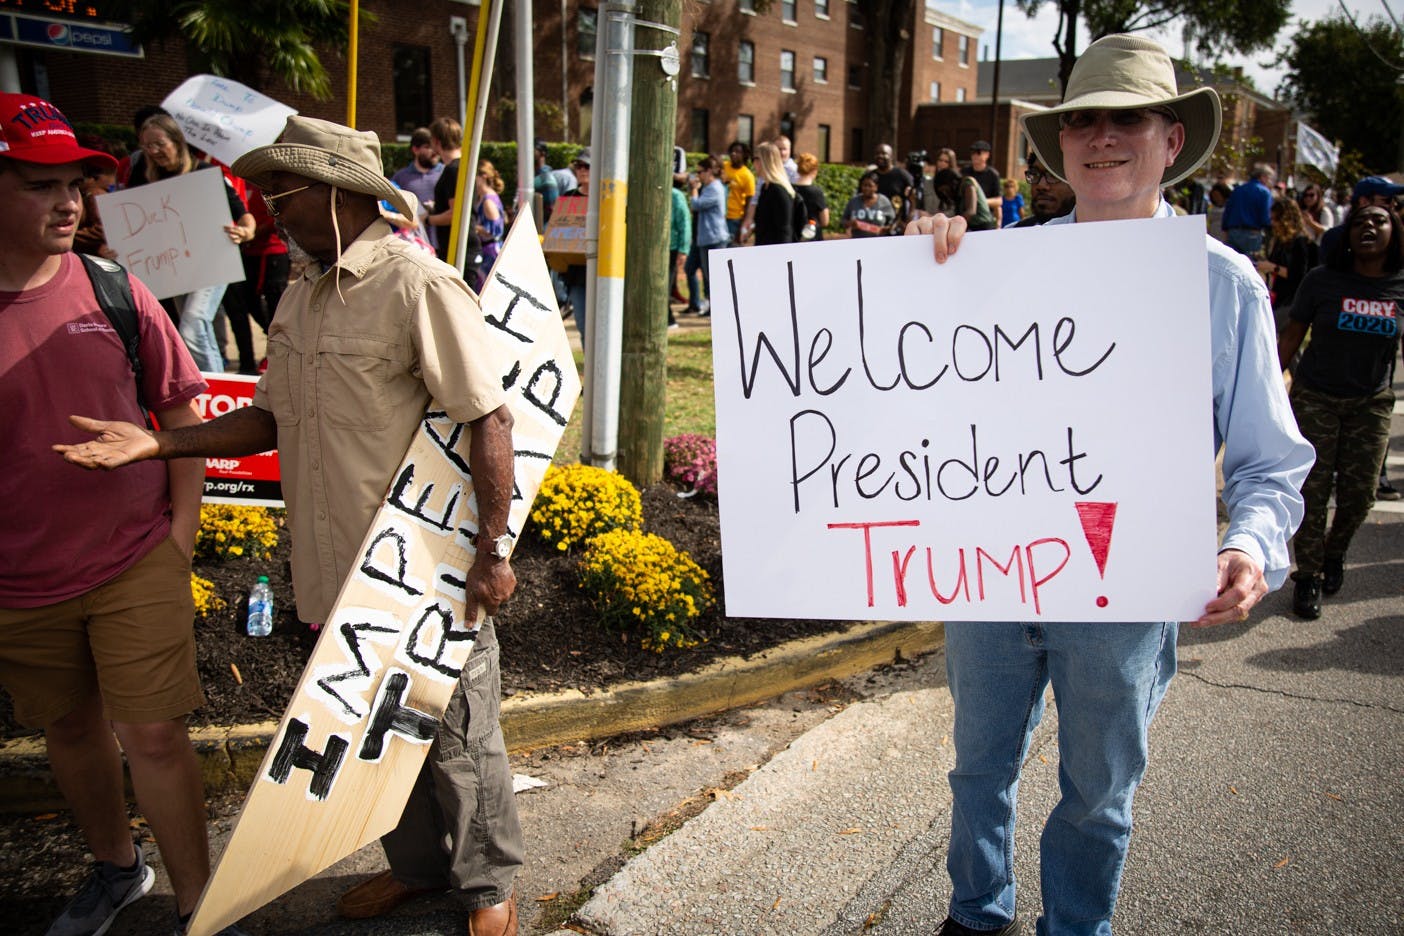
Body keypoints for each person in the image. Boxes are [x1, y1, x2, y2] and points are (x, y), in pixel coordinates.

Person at [55, 114, 523, 936]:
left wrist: (493, 549)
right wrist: (158, 441)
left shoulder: (417, 286)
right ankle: (416, 871)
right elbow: (267, 419)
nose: (271, 207)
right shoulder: (298, 291)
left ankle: (489, 890)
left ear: (340, 195)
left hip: (419, 567)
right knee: (372, 733)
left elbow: (488, 417)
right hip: (330, 568)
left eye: (285, 191)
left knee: (455, 738)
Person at [906, 34, 1313, 935]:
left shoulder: (1223, 285)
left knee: (1098, 792)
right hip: (994, 569)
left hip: (1125, 584)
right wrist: (917, 266)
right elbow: (910, 379)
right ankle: (976, 915)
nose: (1101, 137)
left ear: (1171, 139)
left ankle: (1074, 928)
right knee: (977, 767)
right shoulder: (993, 264)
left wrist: (1247, 543)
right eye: (1082, 119)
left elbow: (1269, 459)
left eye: (1126, 117)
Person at [0, 92, 247, 936]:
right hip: (19, 583)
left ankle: (199, 907)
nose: (68, 200)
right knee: (69, 731)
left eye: (76, 182)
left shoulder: (113, 287)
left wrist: (179, 538)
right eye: (40, 183)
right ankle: (116, 871)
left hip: (134, 558)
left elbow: (183, 417)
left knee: (153, 734)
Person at [1276, 203, 1404, 619]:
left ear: (1395, 232)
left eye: (1378, 221)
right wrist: (1269, 390)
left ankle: (1336, 552)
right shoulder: (1322, 281)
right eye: (1359, 222)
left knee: (1360, 494)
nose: (1368, 227)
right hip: (1316, 398)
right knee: (1312, 490)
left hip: (1372, 402)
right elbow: (1291, 339)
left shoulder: (1400, 286)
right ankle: (1308, 575)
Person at [128, 113, 256, 372]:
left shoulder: (206, 173)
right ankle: (214, 378)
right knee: (197, 329)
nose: (153, 151)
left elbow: (245, 217)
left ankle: (211, 387)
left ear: (177, 141)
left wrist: (245, 232)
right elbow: (129, 221)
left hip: (211, 262)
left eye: (159, 143)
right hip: (174, 265)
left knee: (193, 323)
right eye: (146, 145)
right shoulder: (143, 177)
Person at [1255, 197, 1316, 334]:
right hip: (1279, 296)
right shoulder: (1281, 240)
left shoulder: (1300, 242)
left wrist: (1272, 267)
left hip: (1293, 300)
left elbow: (1299, 274)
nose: (1273, 223)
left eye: (1276, 219)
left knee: (1272, 333)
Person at [390, 127, 444, 252]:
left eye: (435, 146)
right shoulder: (400, 178)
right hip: (416, 246)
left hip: (444, 243)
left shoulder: (445, 173)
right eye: (428, 147)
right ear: (415, 149)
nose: (434, 151)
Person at [688, 155, 729, 315]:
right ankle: (711, 306)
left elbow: (696, 205)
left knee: (714, 277)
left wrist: (694, 189)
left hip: (715, 238)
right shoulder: (710, 187)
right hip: (706, 238)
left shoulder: (715, 188)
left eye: (700, 172)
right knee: (706, 275)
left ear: (709, 171)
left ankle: (718, 309)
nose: (698, 176)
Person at [563, 149, 593, 338]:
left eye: (587, 166)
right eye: (578, 166)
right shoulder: (568, 197)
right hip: (576, 273)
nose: (581, 170)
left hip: (601, 272)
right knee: (583, 326)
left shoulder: (608, 199)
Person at [1221, 163, 1276, 256]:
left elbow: (1227, 211)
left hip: (1233, 232)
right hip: (1252, 234)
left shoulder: (1238, 189)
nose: (1269, 181)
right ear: (1263, 176)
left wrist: (1225, 229)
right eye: (1269, 178)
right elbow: (1265, 217)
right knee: (1250, 265)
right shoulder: (1264, 192)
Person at [751, 141, 800, 245]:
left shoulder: (778, 191)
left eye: (754, 159)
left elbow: (784, 230)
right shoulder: (765, 188)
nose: (753, 163)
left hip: (775, 254)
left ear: (764, 161)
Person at [471, 159, 507, 293]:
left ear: (483, 176)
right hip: (487, 251)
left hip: (490, 252)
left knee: (487, 291)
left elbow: (495, 230)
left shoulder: (487, 201)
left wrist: (474, 227)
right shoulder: (483, 197)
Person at [1011, 152, 1075, 227]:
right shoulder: (1013, 233)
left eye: (1053, 175)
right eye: (1035, 174)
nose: (1041, 186)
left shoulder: (1089, 232)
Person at [931, 167, 996, 232]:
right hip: (971, 227)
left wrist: (951, 224)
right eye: (942, 192)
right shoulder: (957, 192)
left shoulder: (967, 183)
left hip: (983, 226)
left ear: (952, 182)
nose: (945, 193)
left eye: (945, 190)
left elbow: (971, 211)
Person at [872, 143, 914, 233]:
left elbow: (913, 199)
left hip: (896, 228)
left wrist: (907, 221)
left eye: (883, 153)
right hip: (874, 229)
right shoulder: (869, 176)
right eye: (877, 153)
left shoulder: (902, 175)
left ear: (891, 156)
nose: (880, 156)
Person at [842, 170, 896, 238]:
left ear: (876, 187)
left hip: (879, 241)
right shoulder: (854, 201)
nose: (867, 188)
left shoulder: (883, 201)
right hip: (858, 241)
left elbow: (893, 222)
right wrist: (850, 223)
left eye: (870, 186)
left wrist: (887, 229)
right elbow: (843, 221)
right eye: (864, 185)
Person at [721, 141, 755, 245]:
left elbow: (749, 202)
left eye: (737, 152)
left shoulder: (747, 175)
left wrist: (742, 226)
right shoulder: (724, 166)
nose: (733, 154)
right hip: (720, 216)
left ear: (744, 155)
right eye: (731, 151)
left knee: (731, 250)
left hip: (734, 219)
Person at [668, 174, 690, 327]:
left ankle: (669, 320)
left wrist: (683, 249)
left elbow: (685, 223)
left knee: (665, 287)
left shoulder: (676, 196)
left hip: (671, 247)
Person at [793, 152, 830, 241]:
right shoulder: (816, 192)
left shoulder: (791, 189)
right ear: (814, 171)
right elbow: (825, 221)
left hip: (794, 235)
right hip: (812, 235)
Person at [964, 140, 1002, 220]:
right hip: (966, 217)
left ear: (987, 155)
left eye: (978, 153)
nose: (975, 156)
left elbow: (999, 201)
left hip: (984, 218)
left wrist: (979, 201)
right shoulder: (964, 172)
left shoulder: (993, 174)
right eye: (973, 153)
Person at [531, 140, 560, 222]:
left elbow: (551, 210)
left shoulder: (546, 180)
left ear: (543, 153)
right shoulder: (532, 176)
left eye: (531, 149)